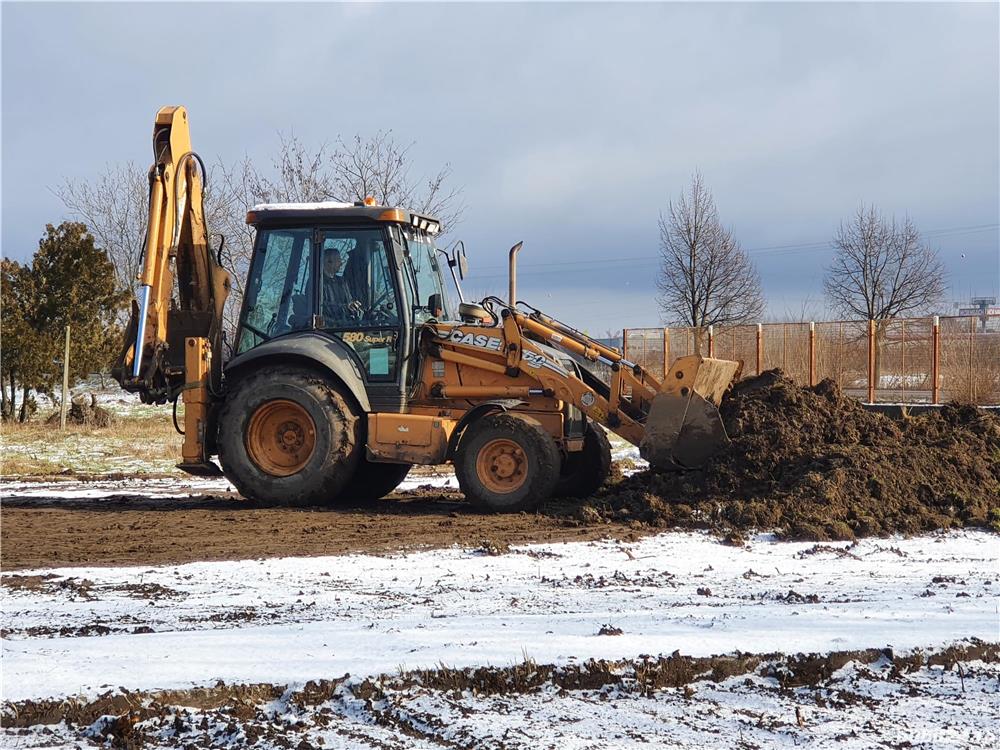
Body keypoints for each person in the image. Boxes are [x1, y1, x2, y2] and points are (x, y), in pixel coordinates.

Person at [321, 247, 362, 325]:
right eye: (338, 260)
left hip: (345, 324)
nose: (341, 263)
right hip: (328, 328)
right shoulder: (318, 283)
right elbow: (322, 307)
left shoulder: (342, 281)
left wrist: (353, 305)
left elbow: (349, 301)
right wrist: (345, 307)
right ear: (328, 261)